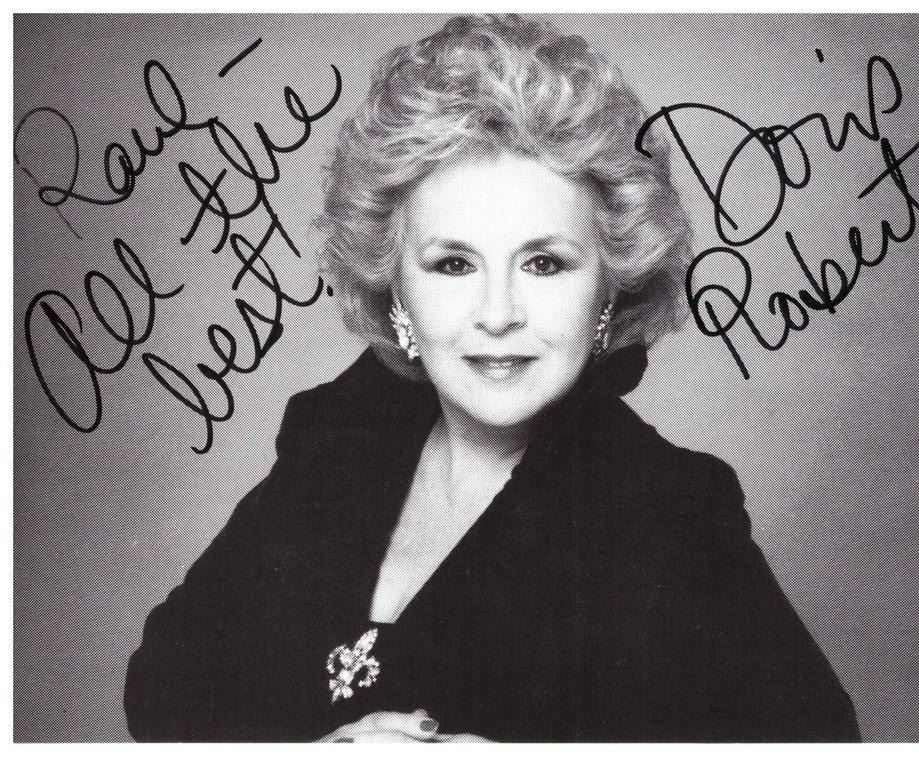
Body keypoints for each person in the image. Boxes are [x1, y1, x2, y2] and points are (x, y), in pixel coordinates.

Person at [124, 15, 860, 742]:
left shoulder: (665, 515)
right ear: (395, 287)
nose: (498, 313)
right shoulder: (344, 433)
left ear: (610, 285)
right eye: (453, 264)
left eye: (544, 263)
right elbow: (163, 686)